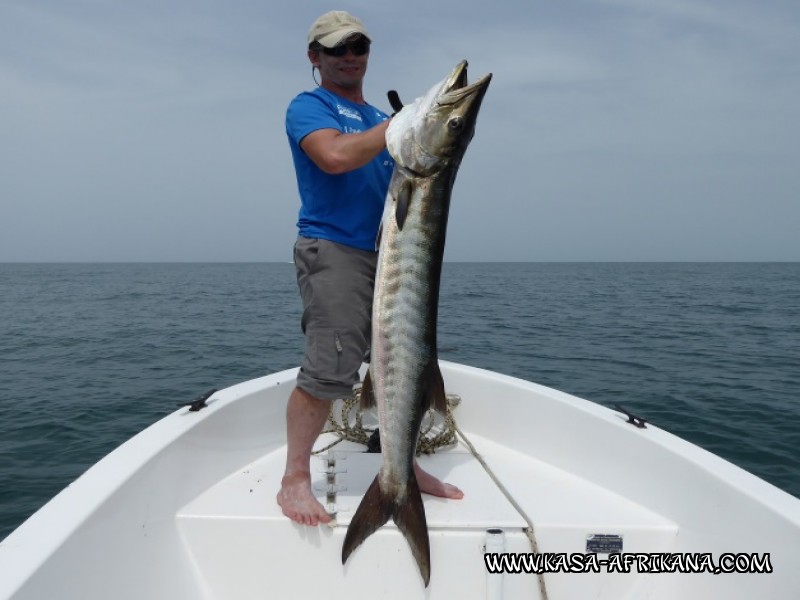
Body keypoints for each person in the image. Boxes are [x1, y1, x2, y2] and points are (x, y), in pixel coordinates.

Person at [278, 11, 463, 526]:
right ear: (315, 57)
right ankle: (294, 477)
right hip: (333, 249)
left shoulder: (388, 127)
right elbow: (333, 158)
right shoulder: (309, 106)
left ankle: (400, 467)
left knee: (409, 363)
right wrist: (402, 130)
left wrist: (411, 136)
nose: (349, 56)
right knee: (331, 365)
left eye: (358, 46)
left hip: (390, 260)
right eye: (336, 49)